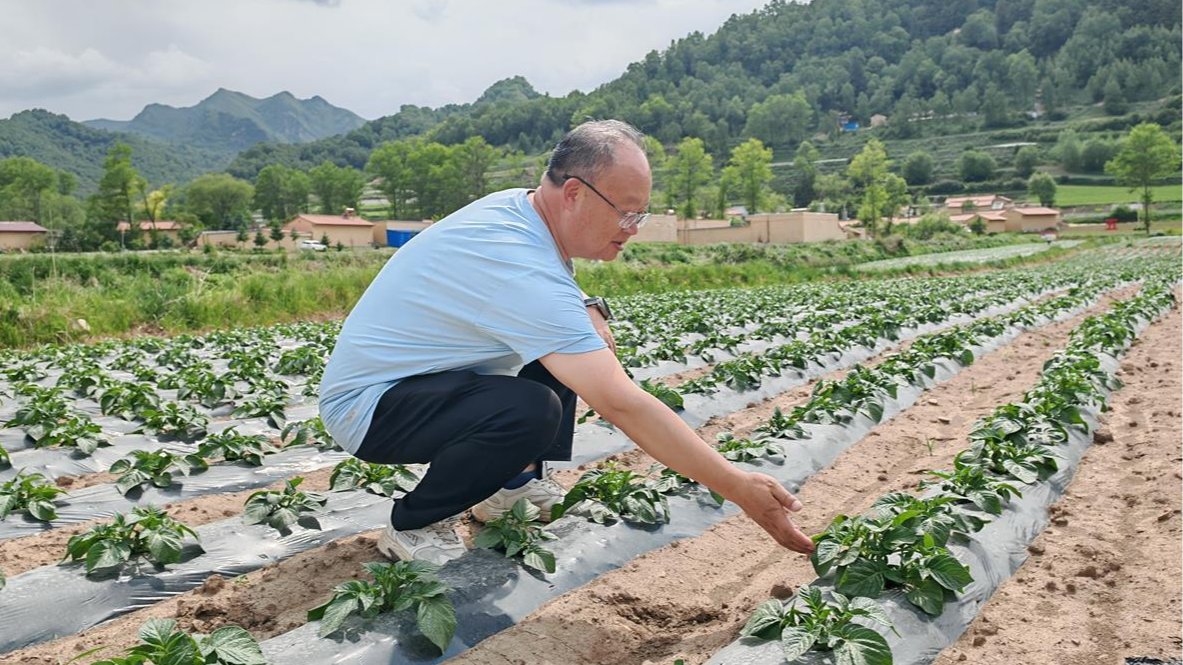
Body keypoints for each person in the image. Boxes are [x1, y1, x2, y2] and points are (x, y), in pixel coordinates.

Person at [318, 119, 813, 564]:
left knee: (569, 348)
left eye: (640, 216)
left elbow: (542, 293)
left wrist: (585, 303)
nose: (633, 230)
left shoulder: (523, 212)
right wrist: (737, 485)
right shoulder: (519, 264)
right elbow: (622, 404)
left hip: (428, 383)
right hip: (371, 408)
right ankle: (414, 523)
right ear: (574, 193)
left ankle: (509, 488)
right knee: (531, 409)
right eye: (627, 213)